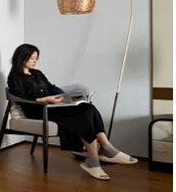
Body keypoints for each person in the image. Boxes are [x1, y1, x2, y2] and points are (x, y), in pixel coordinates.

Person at [8, 43, 137, 180]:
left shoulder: (37, 73)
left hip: (53, 107)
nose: (35, 61)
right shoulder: (14, 78)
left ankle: (104, 148)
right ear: (22, 57)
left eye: (36, 58)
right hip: (38, 111)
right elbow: (20, 98)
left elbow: (51, 88)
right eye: (32, 58)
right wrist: (43, 99)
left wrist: (65, 96)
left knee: (88, 108)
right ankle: (97, 158)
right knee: (82, 116)